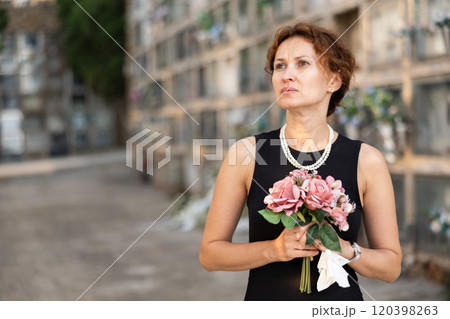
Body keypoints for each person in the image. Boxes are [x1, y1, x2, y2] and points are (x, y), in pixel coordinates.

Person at [199, 22, 402, 301]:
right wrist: (275, 250)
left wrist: (345, 250)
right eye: (280, 66)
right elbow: (210, 254)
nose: (287, 75)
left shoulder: (367, 160)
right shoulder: (245, 154)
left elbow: (390, 267)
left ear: (334, 80)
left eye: (302, 63)